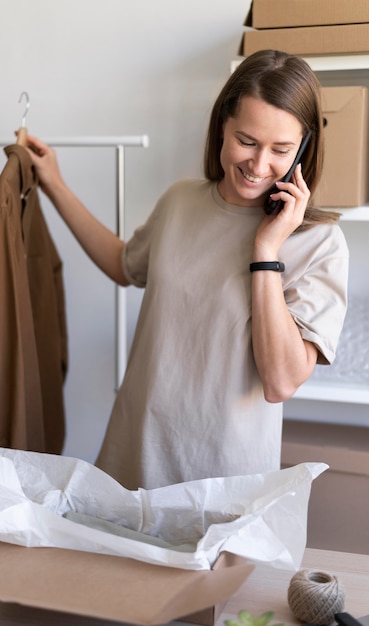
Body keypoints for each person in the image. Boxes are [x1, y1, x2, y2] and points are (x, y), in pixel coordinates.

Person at [26, 49, 349, 491]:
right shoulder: (181, 201)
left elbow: (280, 382)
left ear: (304, 148)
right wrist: (54, 184)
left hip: (223, 481)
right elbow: (123, 265)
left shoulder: (320, 243)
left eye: (281, 150)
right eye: (247, 141)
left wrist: (266, 249)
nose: (258, 166)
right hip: (134, 456)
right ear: (222, 127)